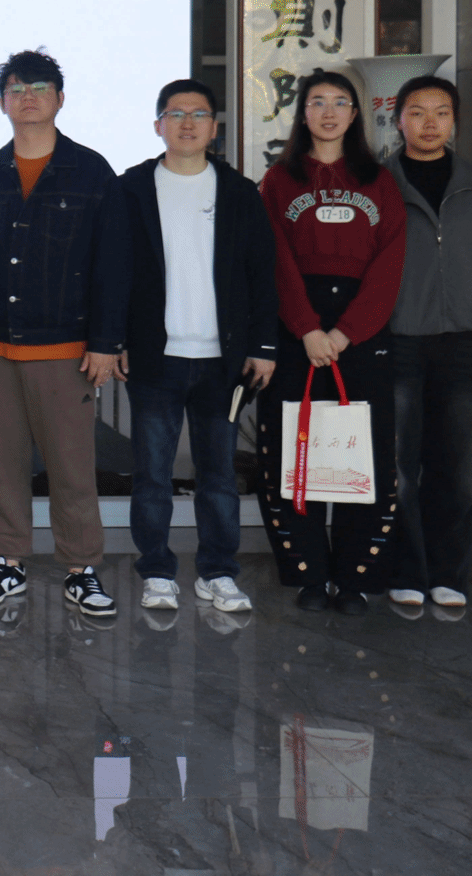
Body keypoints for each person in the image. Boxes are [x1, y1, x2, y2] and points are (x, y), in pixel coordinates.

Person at [0, 49, 127, 618]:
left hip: (64, 349)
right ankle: (8, 562)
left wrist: (106, 342)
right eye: (16, 88)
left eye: (40, 87)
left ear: (60, 98)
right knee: (2, 464)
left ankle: (81, 569)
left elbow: (112, 266)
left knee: (72, 467)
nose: (27, 97)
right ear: (2, 103)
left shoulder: (91, 171)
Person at [118, 78, 274, 615]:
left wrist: (263, 346)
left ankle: (218, 572)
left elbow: (262, 274)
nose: (187, 123)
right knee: (152, 476)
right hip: (154, 358)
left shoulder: (239, 192)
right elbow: (113, 272)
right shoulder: (132, 188)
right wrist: (114, 340)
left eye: (199, 114)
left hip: (222, 362)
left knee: (219, 477)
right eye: (176, 113)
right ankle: (157, 572)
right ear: (157, 124)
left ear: (214, 127)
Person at [255, 71, 405, 614]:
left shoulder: (378, 180)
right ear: (303, 113)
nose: (328, 112)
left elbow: (389, 265)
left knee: (363, 453)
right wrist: (307, 329)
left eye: (340, 102)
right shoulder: (279, 180)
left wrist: (345, 332)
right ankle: (310, 576)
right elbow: (274, 259)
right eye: (317, 102)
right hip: (298, 330)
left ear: (355, 114)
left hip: (360, 334)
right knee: (294, 453)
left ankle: (354, 577)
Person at [381, 76, 472, 612]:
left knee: (457, 466)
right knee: (399, 464)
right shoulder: (378, 185)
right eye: (417, 112)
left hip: (466, 341)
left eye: (441, 112)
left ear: (455, 120)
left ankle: (449, 572)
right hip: (399, 338)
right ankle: (407, 569)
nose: (430, 123)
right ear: (398, 120)